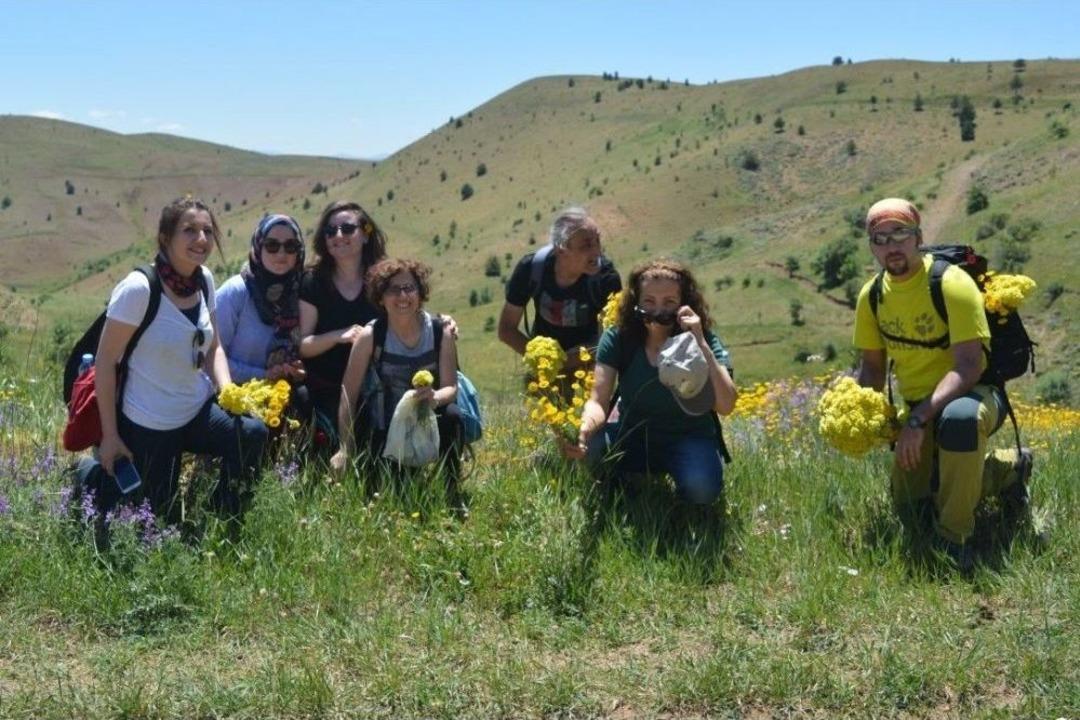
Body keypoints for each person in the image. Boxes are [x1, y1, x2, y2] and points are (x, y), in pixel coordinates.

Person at [853, 197, 1032, 570]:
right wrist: (858, 414)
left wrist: (918, 419)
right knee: (913, 510)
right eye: (880, 238)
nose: (891, 246)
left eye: (899, 233)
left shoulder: (951, 284)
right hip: (918, 408)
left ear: (918, 237)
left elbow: (968, 367)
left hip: (975, 396)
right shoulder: (871, 296)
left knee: (959, 421)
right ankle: (1007, 470)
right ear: (871, 246)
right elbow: (871, 369)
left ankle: (955, 540)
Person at [95, 197, 268, 521]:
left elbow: (214, 346)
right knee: (158, 517)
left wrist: (227, 390)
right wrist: (110, 436)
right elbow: (104, 362)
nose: (201, 239)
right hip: (149, 423)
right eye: (189, 230)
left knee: (251, 434)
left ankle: (224, 516)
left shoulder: (204, 280)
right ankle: (93, 477)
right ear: (165, 237)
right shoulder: (140, 289)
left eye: (207, 230)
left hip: (195, 409)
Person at [564, 259, 736, 505]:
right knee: (593, 446)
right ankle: (624, 488)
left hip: (688, 437)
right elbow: (598, 401)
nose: (658, 311)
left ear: (684, 304)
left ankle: (682, 501)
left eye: (669, 302)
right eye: (649, 302)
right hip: (632, 435)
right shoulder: (619, 338)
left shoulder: (704, 339)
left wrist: (701, 344)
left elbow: (727, 405)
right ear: (636, 302)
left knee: (702, 491)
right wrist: (585, 429)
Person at [330, 259, 463, 491]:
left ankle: (451, 491)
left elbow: (451, 387)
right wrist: (345, 447)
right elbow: (348, 395)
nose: (402, 296)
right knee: (392, 492)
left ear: (420, 294)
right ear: (380, 298)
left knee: (452, 416)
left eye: (409, 288)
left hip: (428, 420)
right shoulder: (371, 336)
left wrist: (435, 398)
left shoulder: (441, 332)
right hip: (386, 427)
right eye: (393, 290)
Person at [299, 201, 387, 436]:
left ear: (366, 235)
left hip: (375, 385)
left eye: (348, 229)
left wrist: (442, 323)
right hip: (325, 385)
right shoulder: (312, 282)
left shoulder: (383, 280)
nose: (338, 235)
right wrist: (339, 336)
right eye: (330, 231)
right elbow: (303, 345)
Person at [498, 206, 621, 372]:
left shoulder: (606, 279)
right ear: (561, 249)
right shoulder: (532, 269)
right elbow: (506, 329)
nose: (597, 251)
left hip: (589, 368)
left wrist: (568, 362)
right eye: (586, 246)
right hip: (544, 372)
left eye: (597, 241)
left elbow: (613, 338)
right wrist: (541, 359)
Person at [216, 213, 307, 385]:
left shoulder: (302, 293)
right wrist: (264, 375)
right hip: (235, 395)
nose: (281, 253)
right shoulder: (236, 292)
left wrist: (299, 370)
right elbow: (210, 356)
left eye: (290, 246)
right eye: (272, 245)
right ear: (258, 246)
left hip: (284, 393)